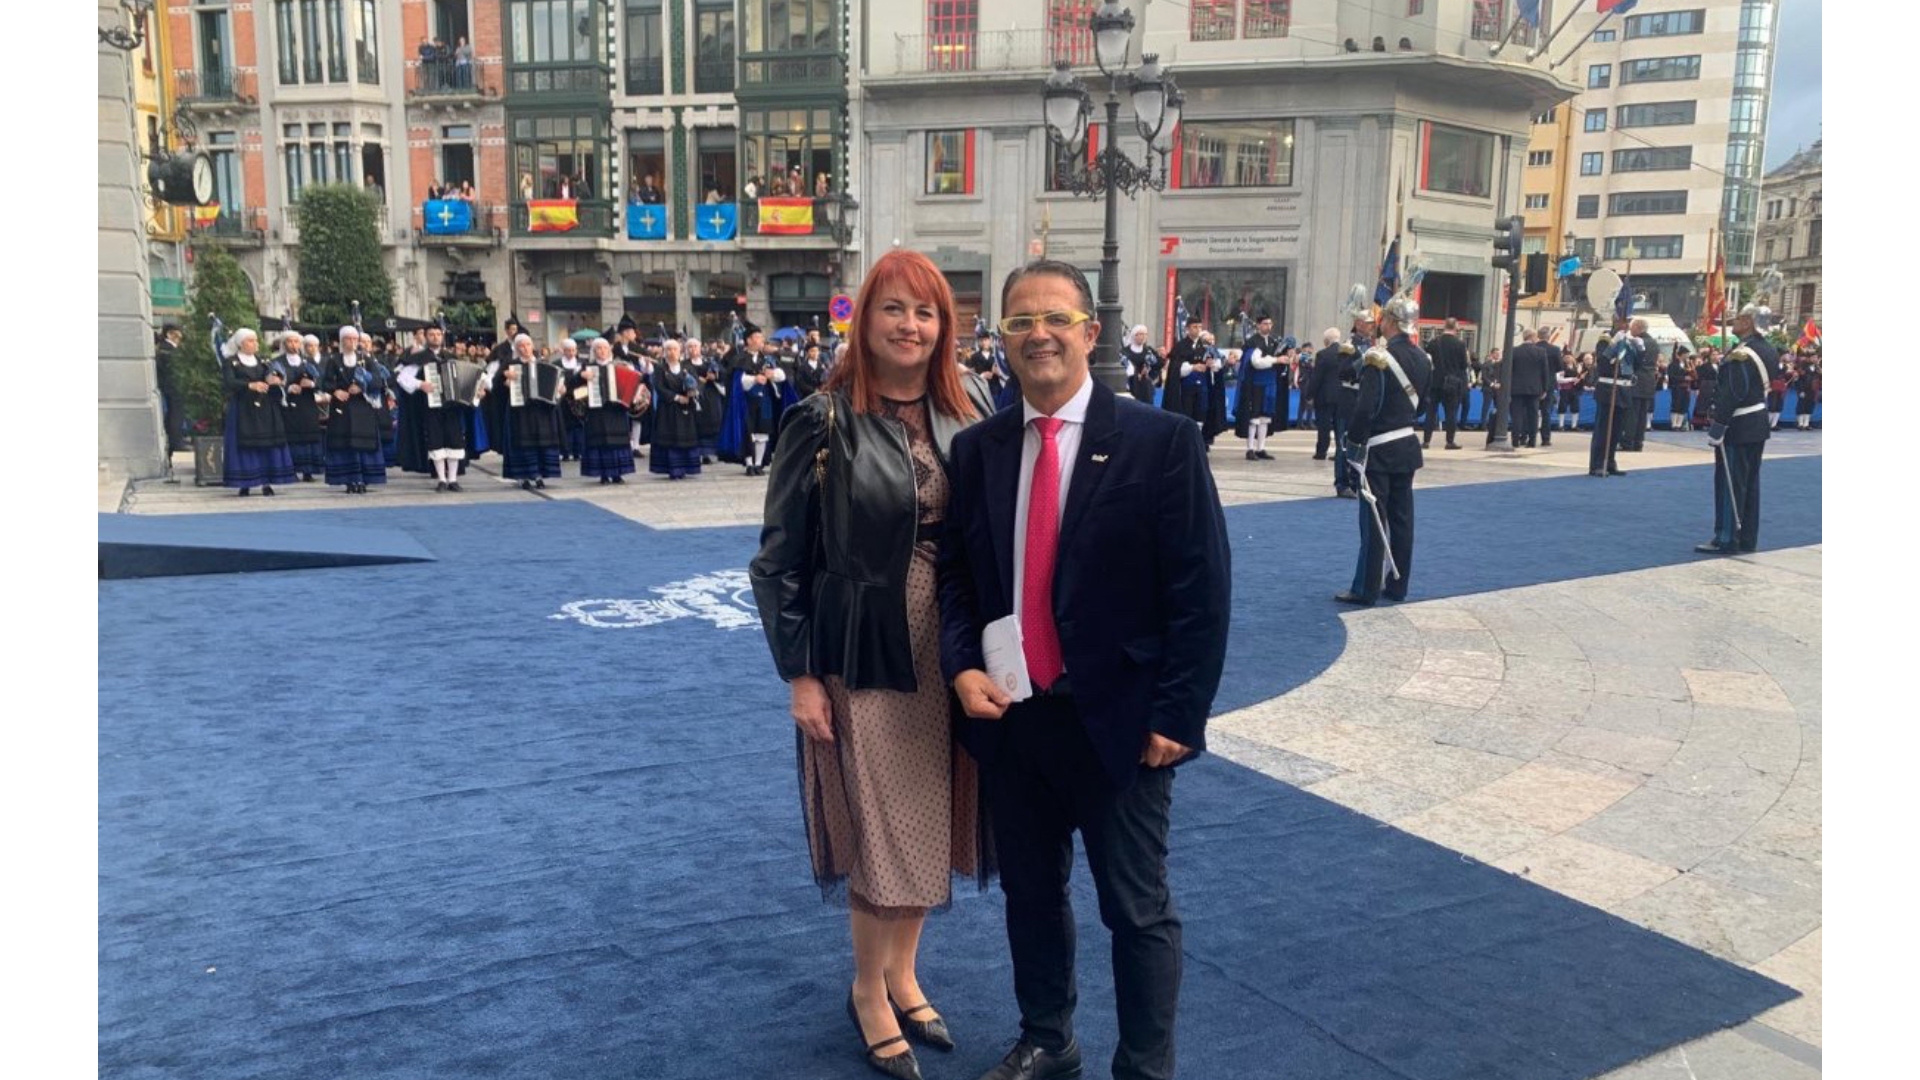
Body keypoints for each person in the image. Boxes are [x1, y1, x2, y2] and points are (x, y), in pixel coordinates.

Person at [937, 258, 1231, 1080]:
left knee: (1135, 910)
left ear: (1089, 333)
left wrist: (1179, 714)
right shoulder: (981, 449)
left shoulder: (1160, 442)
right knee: (1031, 896)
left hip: (1122, 724)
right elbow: (958, 577)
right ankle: (1047, 1037)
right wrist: (962, 667)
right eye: (1019, 322)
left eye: (1055, 319)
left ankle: (1143, 1067)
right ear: (1001, 341)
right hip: (1015, 720)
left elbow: (1201, 590)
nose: (1037, 335)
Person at [750, 249, 997, 1080]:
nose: (910, 326)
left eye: (925, 313)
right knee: (883, 825)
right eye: (893, 309)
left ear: (944, 326)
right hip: (864, 649)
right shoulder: (820, 421)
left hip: (955, 643)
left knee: (933, 811)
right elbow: (777, 561)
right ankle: (866, 988)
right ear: (863, 319)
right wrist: (800, 674)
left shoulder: (969, 411)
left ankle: (904, 972)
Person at [1336, 288, 1431, 607]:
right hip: (1407, 445)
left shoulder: (1380, 357)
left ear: (1390, 321)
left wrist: (1353, 442)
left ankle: (1365, 588)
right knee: (1403, 521)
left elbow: (1366, 408)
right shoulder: (1422, 357)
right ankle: (1398, 584)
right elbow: (1422, 405)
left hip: (1377, 449)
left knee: (1373, 523)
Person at [1696, 279, 1781, 555]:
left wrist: (1718, 427)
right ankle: (1747, 537)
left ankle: (1727, 537)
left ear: (1748, 322)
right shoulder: (1768, 349)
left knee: (1729, 483)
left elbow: (1732, 393)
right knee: (1750, 484)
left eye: (1738, 319)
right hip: (1757, 423)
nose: (1732, 322)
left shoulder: (1741, 355)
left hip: (1738, 425)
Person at [221, 328, 296, 497]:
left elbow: (274, 376)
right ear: (241, 344)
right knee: (245, 445)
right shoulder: (231, 362)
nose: (255, 344)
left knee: (265, 443)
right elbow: (228, 382)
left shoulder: (263, 362)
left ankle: (266, 482)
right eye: (251, 341)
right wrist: (249, 385)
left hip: (264, 407)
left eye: (256, 340)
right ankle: (245, 482)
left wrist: (275, 380)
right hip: (243, 408)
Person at [490, 333, 565, 489]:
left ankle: (538, 474)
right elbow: (495, 385)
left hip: (540, 411)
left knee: (539, 442)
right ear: (517, 348)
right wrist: (506, 378)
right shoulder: (510, 364)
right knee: (522, 443)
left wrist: (560, 389)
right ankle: (522, 476)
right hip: (520, 411)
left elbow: (556, 386)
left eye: (528, 345)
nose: (525, 349)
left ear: (532, 346)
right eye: (521, 346)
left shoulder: (543, 364)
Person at [320, 326, 388, 494]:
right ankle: (349, 479)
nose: (352, 342)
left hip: (362, 407)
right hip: (342, 407)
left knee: (362, 443)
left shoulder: (366, 359)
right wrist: (336, 391)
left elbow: (378, 382)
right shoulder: (334, 360)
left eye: (354, 339)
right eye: (348, 339)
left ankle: (363, 478)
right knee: (345, 444)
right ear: (342, 341)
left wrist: (362, 387)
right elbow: (326, 382)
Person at [573, 336, 642, 484]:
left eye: (604, 348)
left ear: (609, 350)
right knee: (600, 441)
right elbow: (573, 386)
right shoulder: (587, 367)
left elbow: (634, 383)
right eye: (598, 348)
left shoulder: (620, 366)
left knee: (618, 441)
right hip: (597, 410)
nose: (602, 351)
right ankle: (603, 474)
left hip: (616, 410)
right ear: (594, 351)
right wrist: (581, 376)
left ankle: (618, 473)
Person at [648, 338, 702, 480]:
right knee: (671, 440)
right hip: (668, 411)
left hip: (685, 411)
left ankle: (686, 467)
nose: (672, 353)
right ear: (664, 353)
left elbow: (697, 383)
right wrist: (677, 397)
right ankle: (673, 469)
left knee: (685, 438)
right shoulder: (660, 369)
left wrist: (693, 393)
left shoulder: (687, 368)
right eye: (669, 350)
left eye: (675, 349)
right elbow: (659, 388)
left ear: (680, 351)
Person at [1235, 314, 1284, 460]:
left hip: (1270, 383)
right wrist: (1276, 359)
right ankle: (1250, 448)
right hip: (1255, 384)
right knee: (1254, 416)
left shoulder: (1273, 342)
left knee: (1265, 416)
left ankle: (1260, 448)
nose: (1268, 326)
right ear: (1258, 325)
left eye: (1269, 323)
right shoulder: (1253, 342)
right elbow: (1256, 362)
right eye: (1264, 323)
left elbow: (1278, 360)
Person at [1587, 328, 1631, 477]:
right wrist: (1614, 344)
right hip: (1608, 389)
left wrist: (1640, 348)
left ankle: (1610, 462)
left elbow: (1633, 366)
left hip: (1623, 389)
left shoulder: (1629, 342)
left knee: (1616, 431)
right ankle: (1598, 464)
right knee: (1603, 430)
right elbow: (1603, 363)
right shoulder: (1605, 340)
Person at [282, 333, 326, 481]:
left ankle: (308, 471)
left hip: (307, 403)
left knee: (309, 436)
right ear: (284, 344)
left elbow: (322, 380)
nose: (293, 345)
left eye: (296, 342)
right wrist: (288, 387)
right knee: (291, 438)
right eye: (289, 341)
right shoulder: (278, 362)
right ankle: (291, 470)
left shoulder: (308, 362)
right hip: (288, 404)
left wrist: (312, 384)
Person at [1424, 317, 1470, 449]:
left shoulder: (1434, 342)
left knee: (1431, 412)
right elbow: (1464, 365)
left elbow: (1427, 359)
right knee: (1451, 413)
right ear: (1455, 327)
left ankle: (1426, 441)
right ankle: (1450, 441)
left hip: (1435, 382)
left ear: (1444, 326)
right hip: (1452, 383)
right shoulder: (1460, 344)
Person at [1507, 328, 1551, 449]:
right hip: (1534, 389)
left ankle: (1515, 440)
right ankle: (1532, 441)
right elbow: (1544, 372)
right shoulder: (1541, 352)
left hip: (1516, 389)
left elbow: (1508, 370)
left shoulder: (1514, 351)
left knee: (1517, 415)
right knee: (1533, 415)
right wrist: (1545, 388)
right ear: (1532, 337)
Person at [1791, 356, 1819, 431]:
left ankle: (1806, 424)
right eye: (1813, 357)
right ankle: (1800, 424)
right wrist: (1800, 391)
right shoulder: (1802, 368)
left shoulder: (1817, 368)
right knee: (1801, 406)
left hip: (1813, 390)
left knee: (1810, 406)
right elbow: (1798, 381)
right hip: (1804, 390)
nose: (1815, 359)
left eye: (1816, 357)